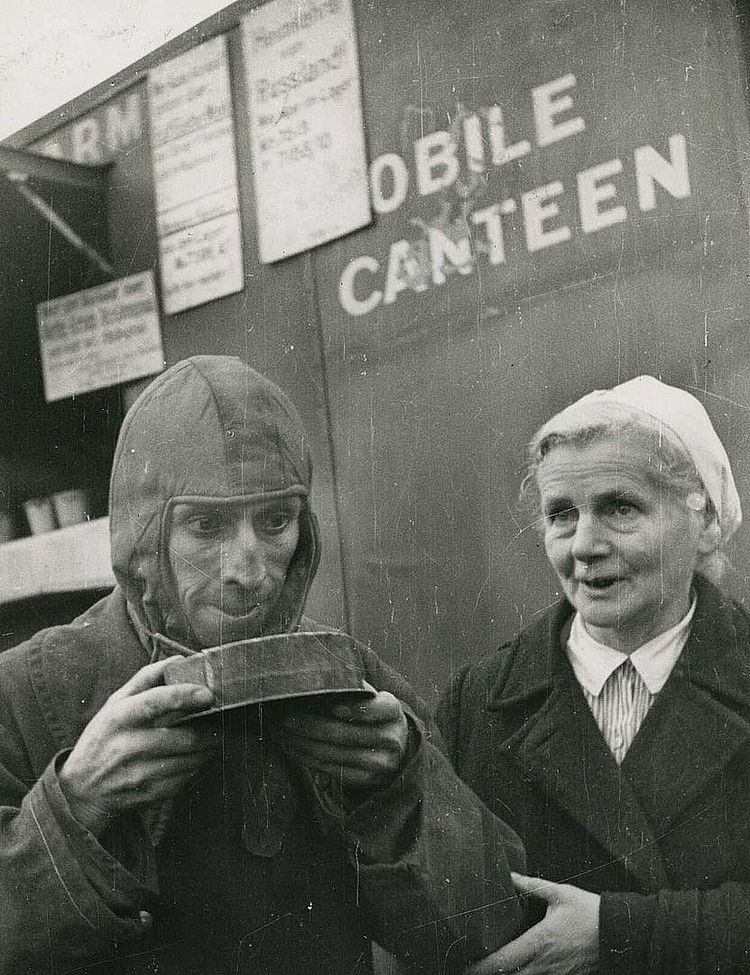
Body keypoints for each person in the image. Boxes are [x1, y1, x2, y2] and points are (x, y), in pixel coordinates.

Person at [0, 356, 524, 975]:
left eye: (275, 521)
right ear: (145, 537)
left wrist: (402, 784)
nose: (248, 570)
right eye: (205, 524)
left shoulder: (347, 677)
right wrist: (75, 805)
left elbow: (491, 930)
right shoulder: (28, 692)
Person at [436, 375, 750, 975]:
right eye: (562, 514)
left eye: (619, 507)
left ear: (705, 520)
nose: (583, 545)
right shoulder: (476, 705)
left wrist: (619, 933)